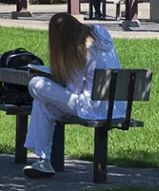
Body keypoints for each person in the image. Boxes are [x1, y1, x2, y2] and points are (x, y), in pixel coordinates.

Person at [22, 14, 124, 179]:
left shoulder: (81, 49)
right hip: (114, 106)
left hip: (90, 107)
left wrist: (59, 78)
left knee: (36, 84)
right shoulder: (100, 35)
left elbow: (75, 90)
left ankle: (43, 159)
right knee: (43, 103)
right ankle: (42, 162)